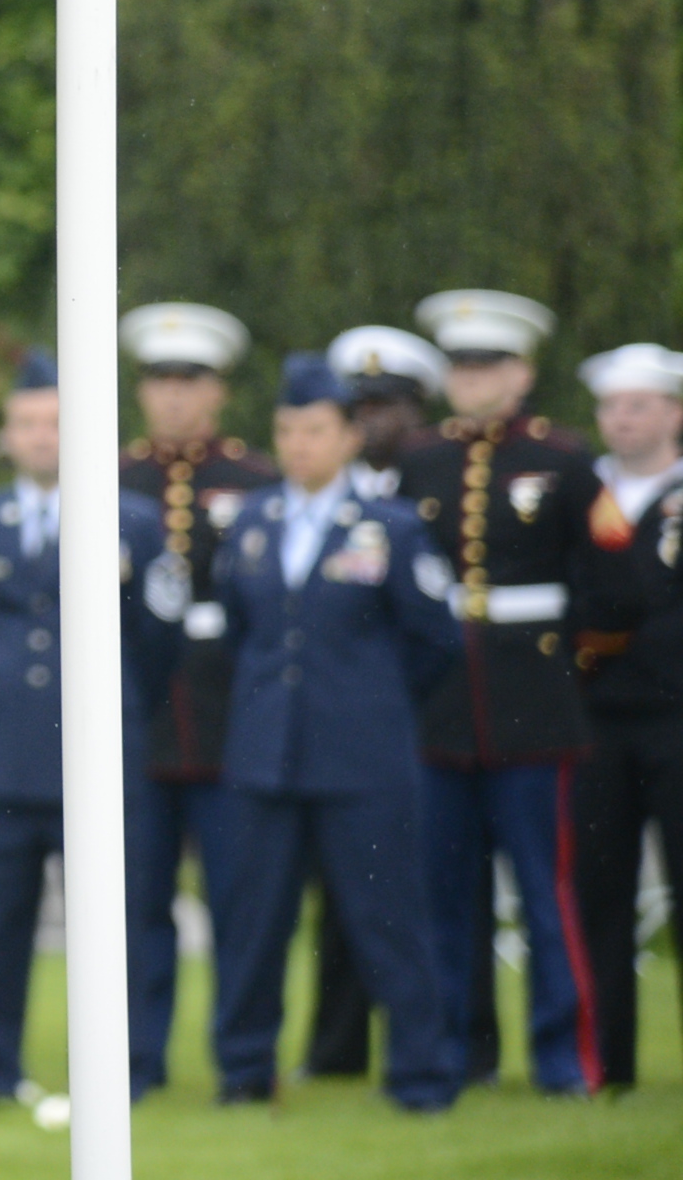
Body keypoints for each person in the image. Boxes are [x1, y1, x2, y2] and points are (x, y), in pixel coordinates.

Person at [203, 353, 460, 1112]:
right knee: (251, 927)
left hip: (362, 759)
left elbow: (434, 640)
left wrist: (368, 702)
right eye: (285, 430)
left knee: (390, 923)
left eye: (314, 430)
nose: (297, 445)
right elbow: (238, 632)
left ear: (349, 436)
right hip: (264, 759)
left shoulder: (391, 527)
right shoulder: (253, 522)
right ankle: (244, 1073)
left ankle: (420, 1076)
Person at [0, 350, 176, 1102]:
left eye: (56, 423)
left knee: (117, 928)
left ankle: (127, 1072)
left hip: (100, 760)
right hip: (2, 760)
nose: (41, 437)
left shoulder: (132, 521)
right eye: (27, 423)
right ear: (7, 434)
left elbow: (158, 642)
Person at [402, 285, 600, 1092]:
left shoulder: (562, 460)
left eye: (488, 366)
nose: (473, 380)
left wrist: (571, 673)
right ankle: (460, 1049)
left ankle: (563, 1059)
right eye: (461, 366)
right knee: (448, 897)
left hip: (534, 703)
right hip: (447, 706)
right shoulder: (424, 459)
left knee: (547, 896)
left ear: (521, 373)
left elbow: (601, 583)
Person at [115, 301, 273, 1076]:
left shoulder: (254, 480)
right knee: (137, 906)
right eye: (160, 381)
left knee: (241, 903)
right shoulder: (112, 477)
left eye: (191, 380)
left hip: (228, 719)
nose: (174, 396)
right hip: (140, 721)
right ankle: (138, 1062)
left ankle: (243, 1064)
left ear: (218, 390)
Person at [299, 321, 451, 1079]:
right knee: (339, 901)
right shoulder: (313, 497)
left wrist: (388, 695)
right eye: (359, 406)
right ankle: (335, 1050)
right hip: (335, 731)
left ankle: (437, 1056)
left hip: (423, 721)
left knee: (400, 898)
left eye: (387, 405)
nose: (373, 421)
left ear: (415, 409)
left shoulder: (437, 483)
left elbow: (435, 632)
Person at [570, 341, 683, 1092]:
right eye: (611, 406)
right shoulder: (582, 494)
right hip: (598, 720)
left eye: (638, 405)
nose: (621, 419)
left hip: (677, 718)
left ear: (674, 412)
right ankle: (608, 1066)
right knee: (600, 894)